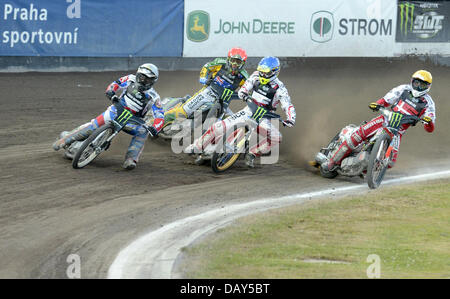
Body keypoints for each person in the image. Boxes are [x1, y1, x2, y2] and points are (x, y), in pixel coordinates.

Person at [184, 56, 296, 168]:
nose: (263, 75)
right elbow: (245, 87)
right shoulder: (256, 75)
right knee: (218, 126)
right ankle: (197, 146)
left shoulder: (280, 88)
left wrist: (291, 119)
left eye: (266, 73)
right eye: (261, 71)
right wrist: (243, 93)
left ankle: (252, 154)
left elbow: (287, 105)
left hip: (263, 117)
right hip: (249, 110)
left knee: (276, 137)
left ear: (274, 72)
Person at [52, 63, 164, 170]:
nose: (143, 81)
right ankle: (64, 141)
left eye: (147, 79)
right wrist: (110, 91)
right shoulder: (130, 79)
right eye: (141, 77)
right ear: (138, 74)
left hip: (132, 121)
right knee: (93, 126)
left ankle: (131, 159)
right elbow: (116, 84)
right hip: (115, 111)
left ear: (153, 81)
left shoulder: (154, 97)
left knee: (142, 132)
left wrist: (155, 128)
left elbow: (160, 115)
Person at [321, 70, 436, 172]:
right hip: (385, 119)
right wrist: (378, 104)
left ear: (428, 86)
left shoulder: (428, 102)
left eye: (422, 85)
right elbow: (386, 99)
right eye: (416, 83)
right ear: (412, 81)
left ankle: (363, 168)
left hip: (398, 131)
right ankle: (332, 161)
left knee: (389, 162)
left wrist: (428, 121)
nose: (418, 87)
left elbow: (430, 127)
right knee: (358, 135)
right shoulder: (403, 89)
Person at [163, 47, 248, 124]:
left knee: (231, 121)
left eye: (238, 62)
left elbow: (248, 89)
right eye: (233, 60)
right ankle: (159, 122)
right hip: (209, 91)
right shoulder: (220, 63)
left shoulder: (244, 77)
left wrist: (246, 95)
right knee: (184, 111)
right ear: (228, 59)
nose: (235, 64)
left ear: (243, 63)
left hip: (224, 101)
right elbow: (207, 66)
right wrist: (203, 77)